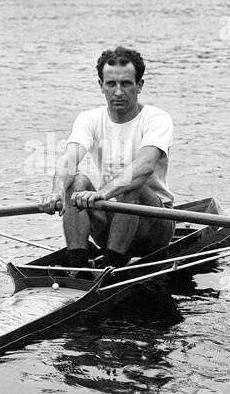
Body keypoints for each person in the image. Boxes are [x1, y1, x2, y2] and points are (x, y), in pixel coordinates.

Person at [41, 46, 175, 271]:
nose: (119, 92)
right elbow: (69, 160)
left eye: (126, 84)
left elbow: (145, 166)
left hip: (154, 225)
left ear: (139, 86)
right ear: (101, 85)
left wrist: (103, 193)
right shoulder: (89, 119)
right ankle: (79, 268)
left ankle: (110, 268)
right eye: (111, 84)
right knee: (75, 182)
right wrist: (56, 192)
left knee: (131, 183)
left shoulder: (157, 118)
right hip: (112, 219)